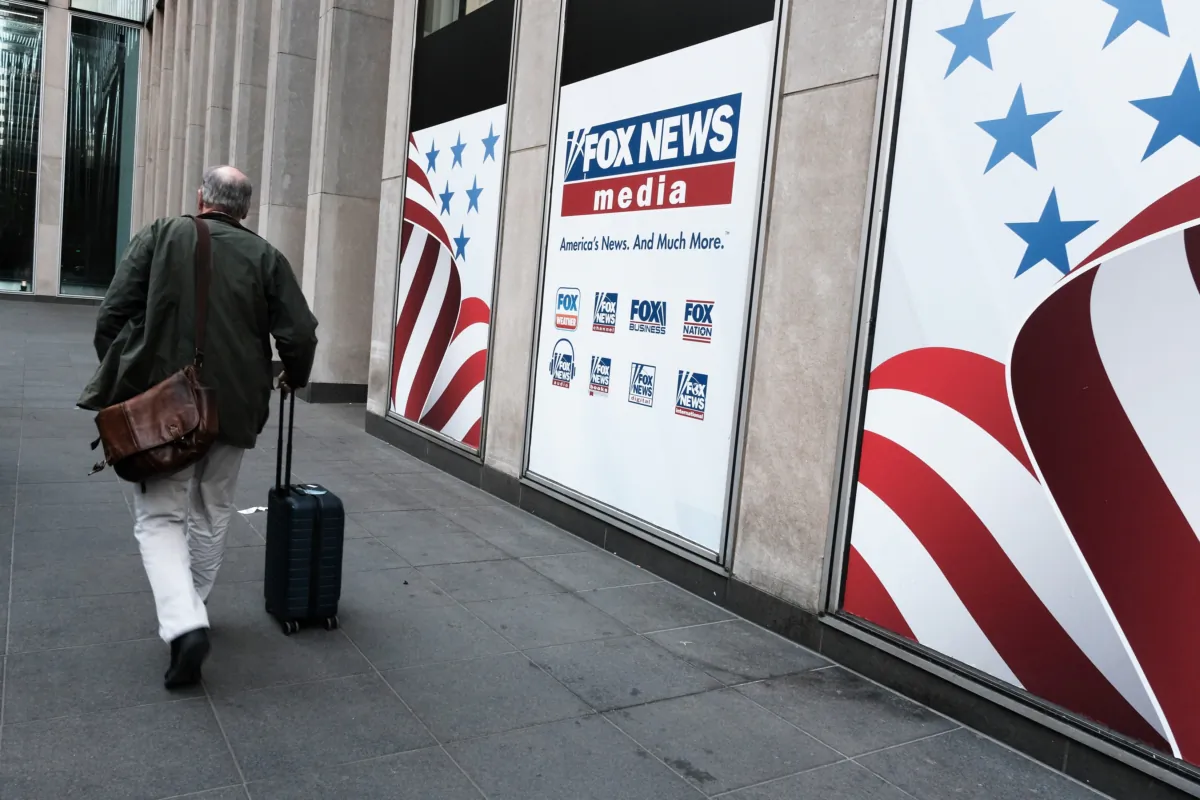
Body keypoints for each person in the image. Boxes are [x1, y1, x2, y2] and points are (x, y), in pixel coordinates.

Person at [79, 166, 318, 689]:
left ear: (201, 198)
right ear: (245, 209)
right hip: (232, 407)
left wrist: (125, 379)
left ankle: (185, 624)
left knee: (160, 518)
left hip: (166, 406)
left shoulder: (162, 235)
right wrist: (292, 379)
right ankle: (194, 606)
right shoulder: (266, 257)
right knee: (212, 510)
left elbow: (111, 317)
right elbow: (299, 333)